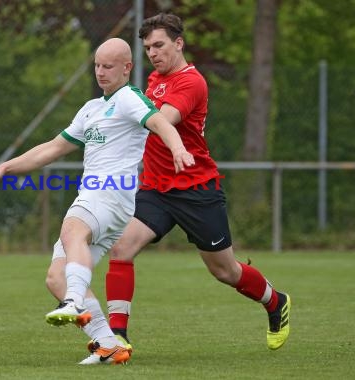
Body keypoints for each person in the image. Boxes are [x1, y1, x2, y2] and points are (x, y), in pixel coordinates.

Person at [0, 37, 195, 364]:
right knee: (56, 276)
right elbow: (52, 148)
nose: (101, 72)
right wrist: (6, 167)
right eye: (97, 65)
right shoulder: (91, 108)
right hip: (97, 199)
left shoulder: (129, 98)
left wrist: (178, 148)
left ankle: (74, 303)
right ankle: (109, 344)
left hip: (111, 193)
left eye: (108, 66)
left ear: (127, 68)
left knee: (72, 231)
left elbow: (159, 123)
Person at [102, 13, 291, 352]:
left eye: (159, 45)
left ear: (178, 43)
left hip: (196, 190)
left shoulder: (192, 82)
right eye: (147, 48)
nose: (153, 53)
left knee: (226, 271)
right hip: (156, 189)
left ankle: (275, 301)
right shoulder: (155, 81)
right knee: (122, 248)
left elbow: (165, 120)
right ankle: (117, 336)